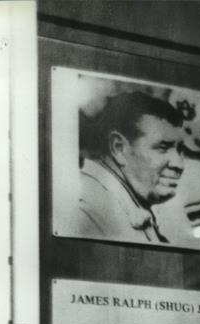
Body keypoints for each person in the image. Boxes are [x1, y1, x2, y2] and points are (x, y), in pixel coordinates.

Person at [76, 91, 186, 243]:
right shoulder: (86, 209)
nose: (179, 164)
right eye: (163, 147)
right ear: (119, 148)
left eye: (181, 150)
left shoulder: (116, 203)